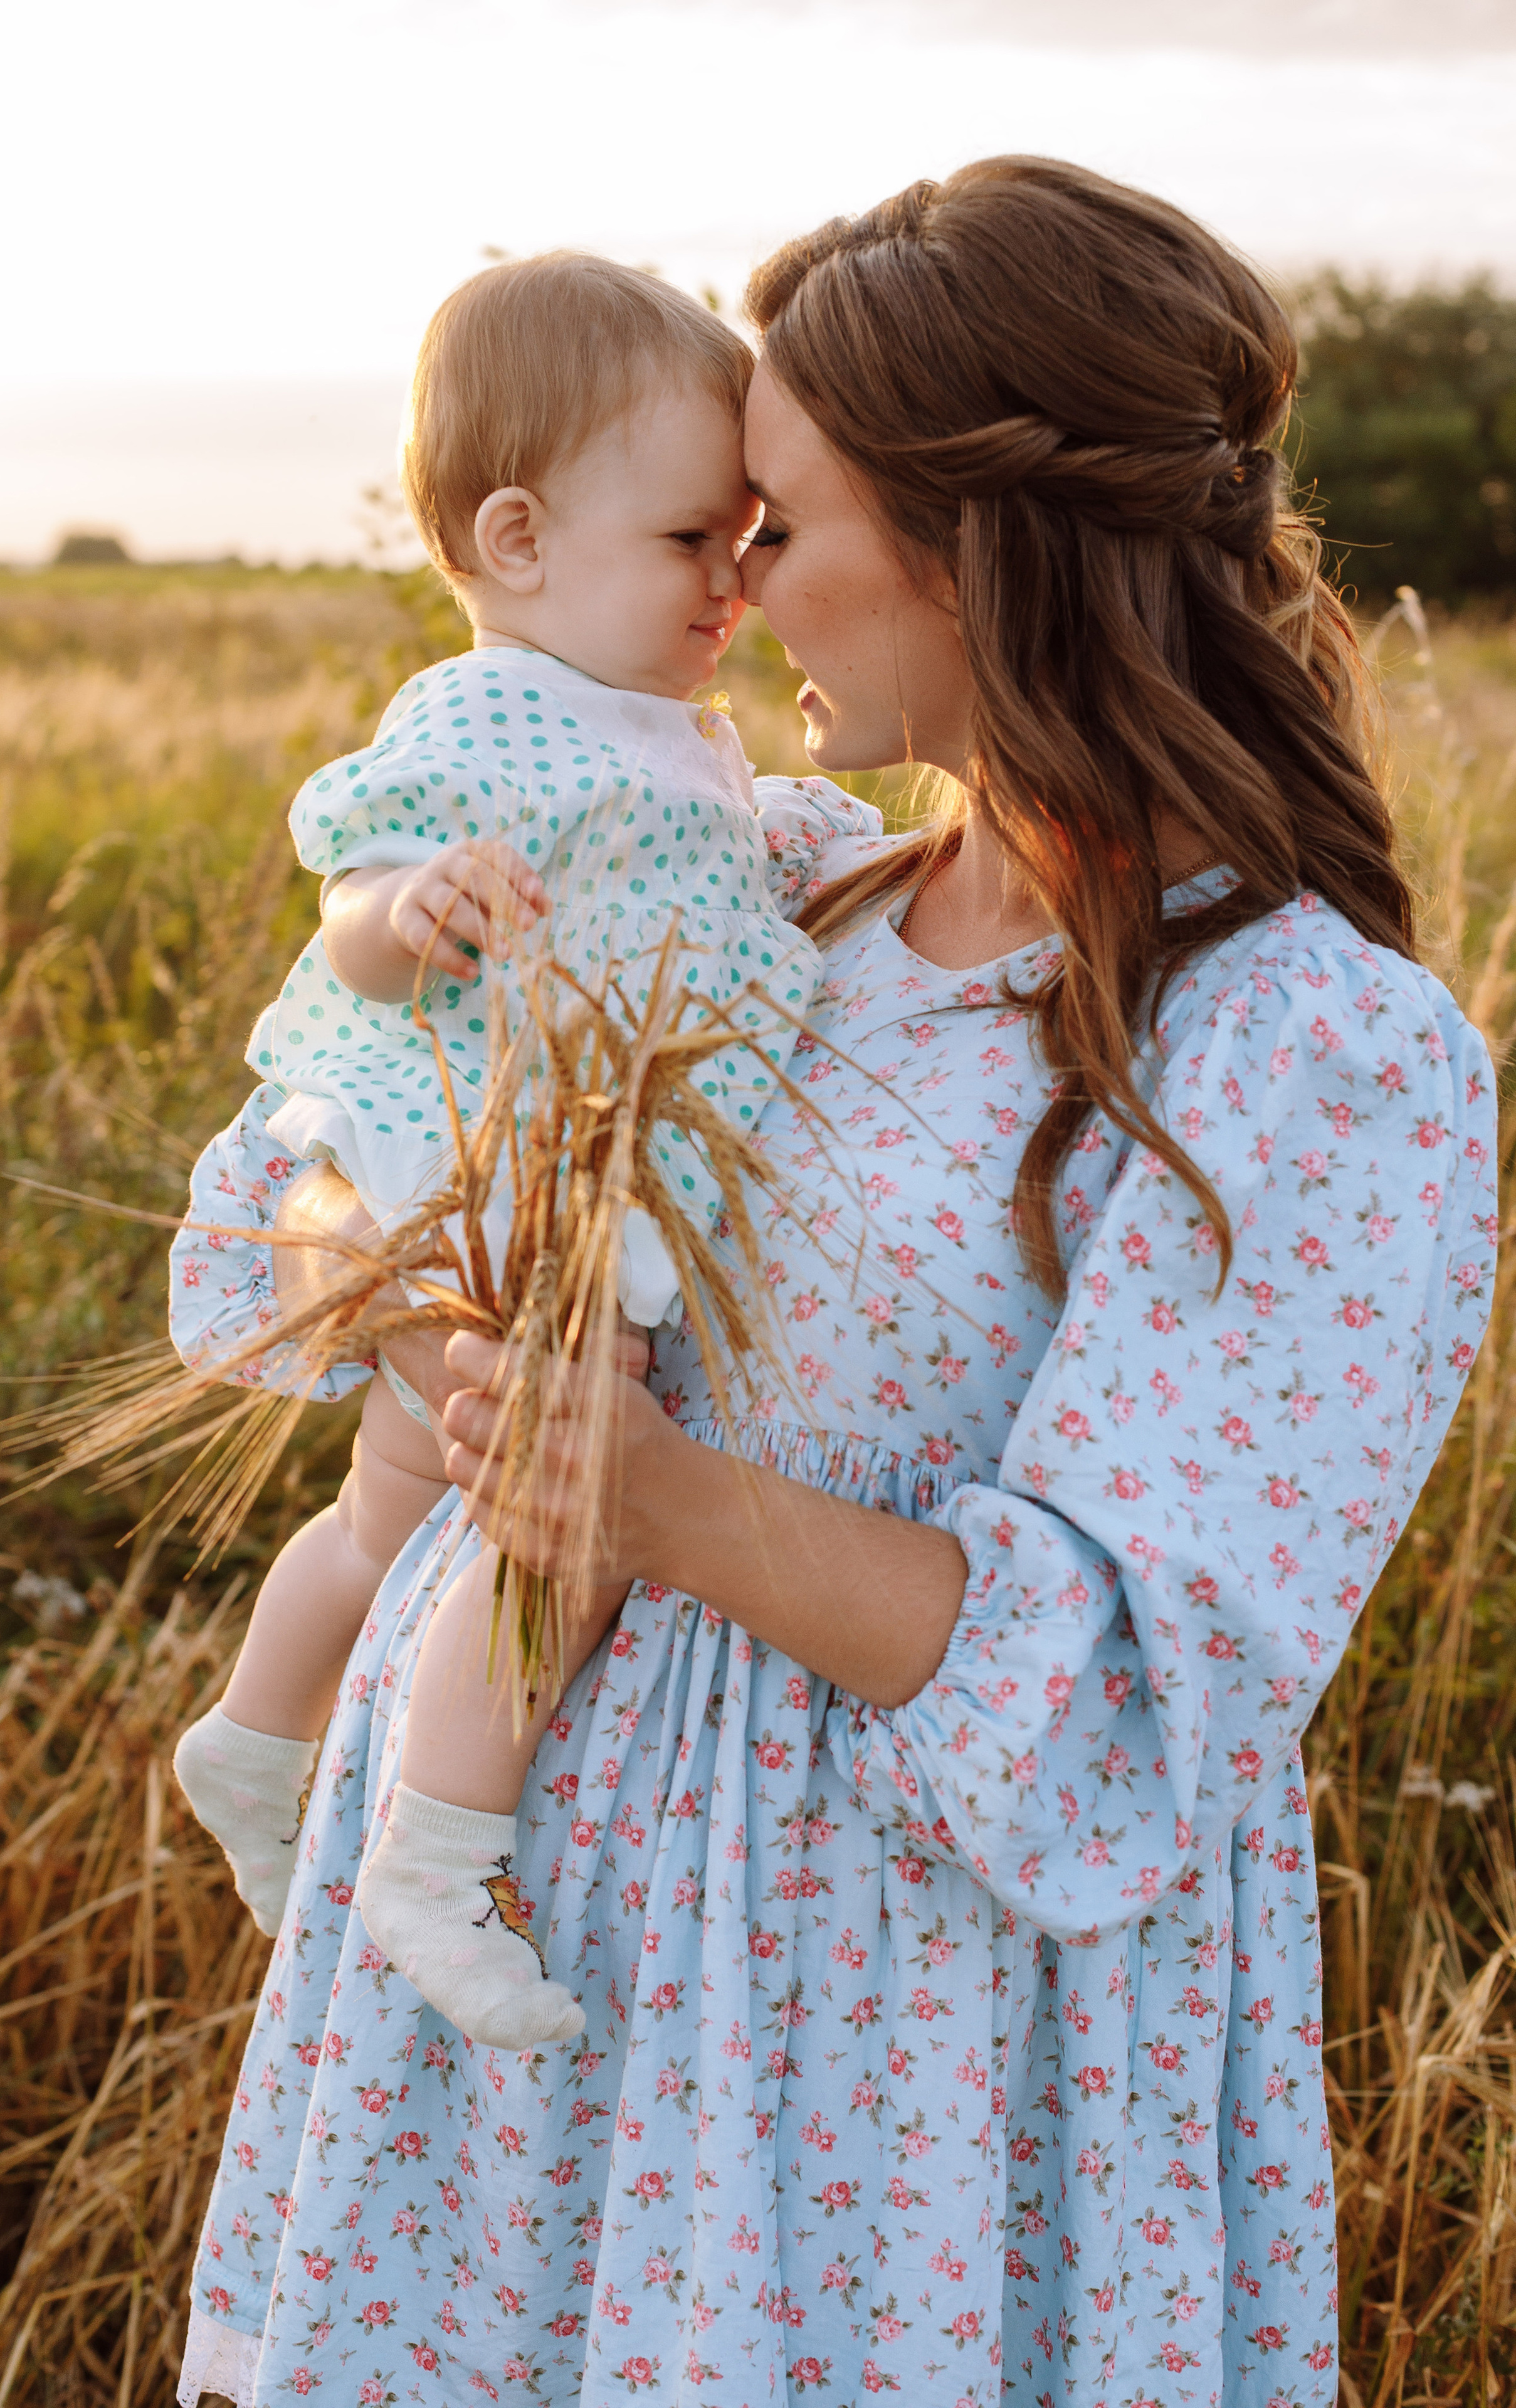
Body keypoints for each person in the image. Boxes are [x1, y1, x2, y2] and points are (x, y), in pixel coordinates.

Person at [176, 161, 1497, 2408]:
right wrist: (437, 1325)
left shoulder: (1306, 1048)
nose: (733, 584)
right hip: (524, 2023)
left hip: (885, 2073)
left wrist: (668, 1505)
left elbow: (1135, 1705)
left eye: (769, 518)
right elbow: (300, 1175)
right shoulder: (778, 890)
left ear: (985, 544)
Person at [167, 252, 876, 2051]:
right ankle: (442, 1852)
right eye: (692, 543)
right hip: (518, 1189)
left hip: (577, 1173)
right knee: (555, 1504)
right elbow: (343, 910)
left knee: (396, 1506)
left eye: (747, 543)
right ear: (519, 536)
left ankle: (255, 1741)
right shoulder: (488, 716)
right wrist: (418, 906)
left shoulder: (674, 728)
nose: (735, 584)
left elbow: (688, 893)